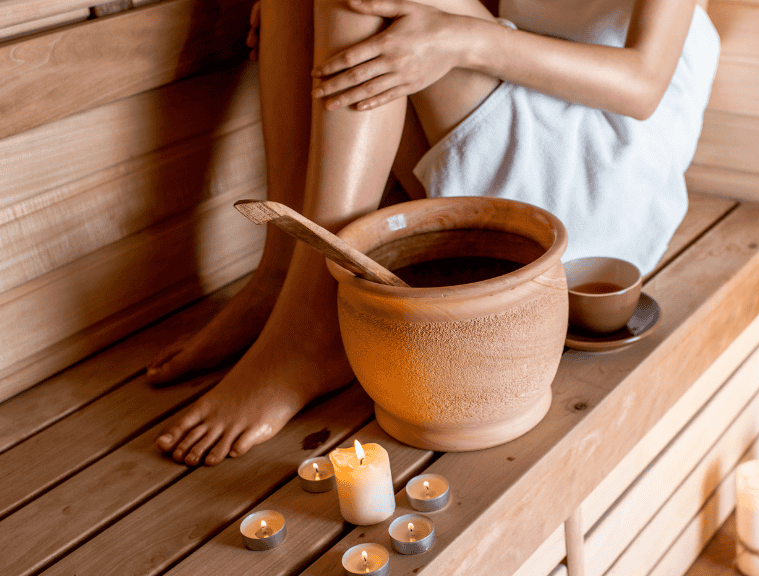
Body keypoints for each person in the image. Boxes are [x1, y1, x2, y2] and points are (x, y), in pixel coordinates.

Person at [148, 0, 720, 465]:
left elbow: (643, 84)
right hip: (526, 100)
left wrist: (460, 39)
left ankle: (312, 321)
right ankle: (281, 276)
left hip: (601, 165)